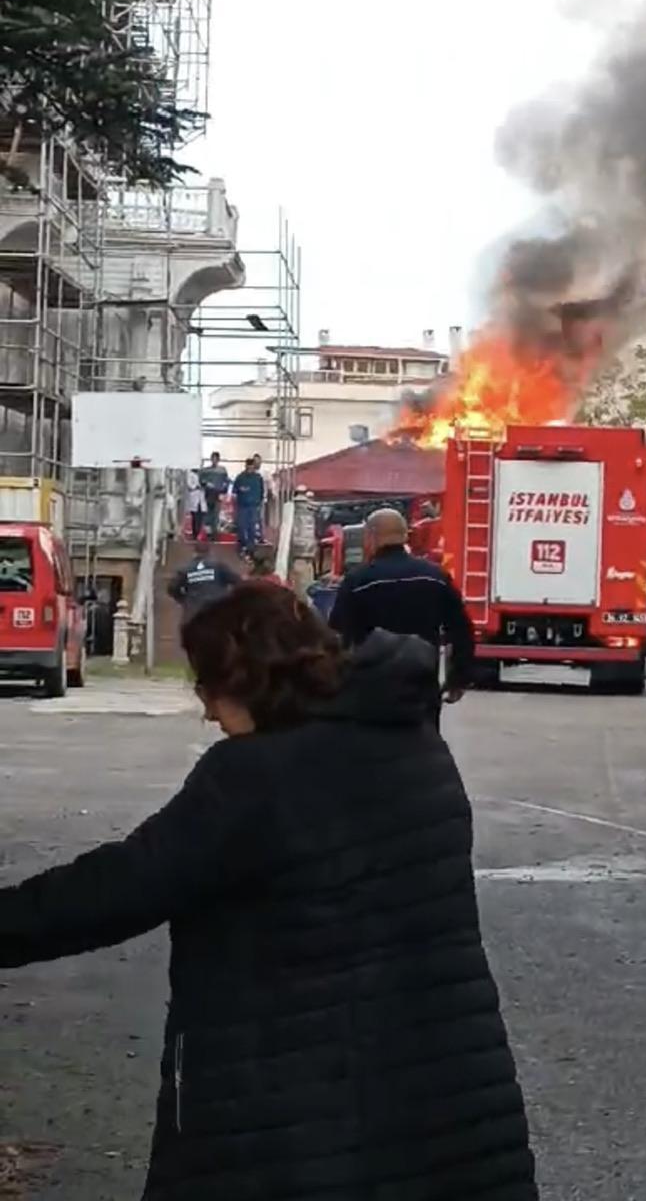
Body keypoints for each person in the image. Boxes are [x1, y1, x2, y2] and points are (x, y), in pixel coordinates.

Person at [0, 583, 537, 1201]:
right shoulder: (415, 746)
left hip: (293, 1117)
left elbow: (119, 887)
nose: (206, 711)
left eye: (206, 687)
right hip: (445, 1097)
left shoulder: (253, 778)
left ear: (243, 677)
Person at [329, 507, 474, 729]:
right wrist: (458, 678)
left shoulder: (358, 580)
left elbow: (338, 635)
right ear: (406, 535)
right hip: (422, 682)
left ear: (370, 537)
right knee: (423, 747)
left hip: (371, 686)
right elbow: (461, 629)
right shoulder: (435, 577)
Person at [167, 539, 240, 619]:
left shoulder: (185, 570)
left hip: (194, 612)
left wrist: (184, 599)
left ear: (194, 554)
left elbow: (172, 588)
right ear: (209, 553)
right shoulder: (219, 566)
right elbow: (237, 581)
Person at [232, 457, 264, 554]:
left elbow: (262, 492)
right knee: (241, 526)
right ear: (245, 466)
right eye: (248, 467)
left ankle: (251, 548)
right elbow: (234, 491)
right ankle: (242, 545)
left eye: (252, 467)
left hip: (254, 506)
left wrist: (259, 503)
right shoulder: (240, 477)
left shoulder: (258, 478)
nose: (250, 469)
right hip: (242, 506)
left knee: (252, 528)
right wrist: (241, 490)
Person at [198, 451, 229, 541]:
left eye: (216, 459)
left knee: (216, 514)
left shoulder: (222, 470)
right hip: (208, 494)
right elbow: (200, 480)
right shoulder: (206, 470)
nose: (214, 460)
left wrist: (223, 491)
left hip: (218, 494)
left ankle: (215, 534)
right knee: (208, 514)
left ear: (218, 460)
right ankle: (208, 533)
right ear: (211, 459)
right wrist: (206, 484)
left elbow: (226, 482)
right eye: (213, 458)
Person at [185, 469, 206, 541]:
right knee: (195, 518)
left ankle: (198, 534)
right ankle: (195, 535)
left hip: (201, 500)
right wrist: (197, 486)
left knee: (201, 518)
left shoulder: (201, 474)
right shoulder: (189, 474)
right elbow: (190, 485)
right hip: (194, 498)